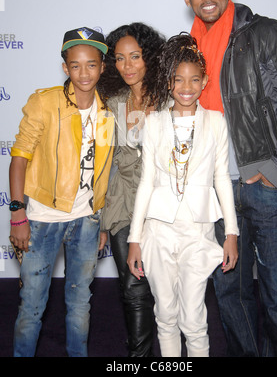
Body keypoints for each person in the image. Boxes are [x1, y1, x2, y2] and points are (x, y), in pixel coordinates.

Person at [184, 0, 277, 357]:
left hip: (264, 186)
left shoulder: (264, 33)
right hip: (215, 192)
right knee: (230, 294)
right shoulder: (187, 50)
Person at [127, 33, 239, 357]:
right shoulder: (154, 123)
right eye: (178, 80)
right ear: (169, 83)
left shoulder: (216, 122)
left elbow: (222, 178)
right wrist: (135, 238)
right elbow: (146, 182)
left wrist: (230, 233)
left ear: (204, 81)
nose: (186, 87)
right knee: (165, 314)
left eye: (193, 79)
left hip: (199, 231)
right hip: (158, 230)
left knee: (194, 317)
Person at [9, 27, 115, 357]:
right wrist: (17, 213)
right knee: (32, 307)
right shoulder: (44, 102)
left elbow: (104, 172)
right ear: (65, 67)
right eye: (75, 64)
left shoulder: (108, 111)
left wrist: (102, 221)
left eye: (92, 64)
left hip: (87, 221)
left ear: (103, 66)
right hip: (41, 219)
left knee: (80, 304)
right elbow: (19, 157)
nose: (84, 72)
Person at [97, 22, 165, 357]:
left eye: (135, 56)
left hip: (165, 209)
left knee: (170, 293)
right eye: (120, 59)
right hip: (124, 208)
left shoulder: (171, 99)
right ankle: (138, 357)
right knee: (133, 289)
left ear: (149, 57)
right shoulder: (112, 104)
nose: (127, 66)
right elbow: (105, 165)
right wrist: (102, 219)